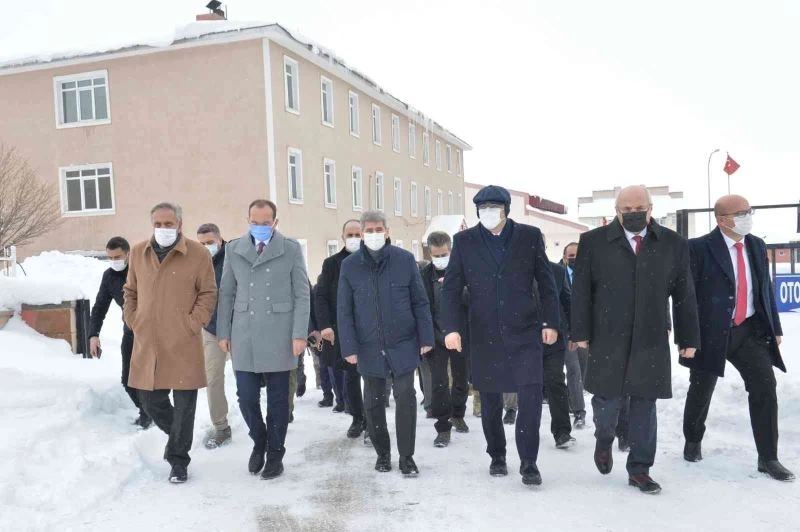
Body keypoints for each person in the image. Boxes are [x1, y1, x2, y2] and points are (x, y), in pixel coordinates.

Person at [570, 185, 700, 494]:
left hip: (651, 337)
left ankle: (640, 468)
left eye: (638, 208)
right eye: (626, 210)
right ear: (616, 212)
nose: (633, 214)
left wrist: (688, 337)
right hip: (606, 336)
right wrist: (581, 334)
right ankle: (604, 437)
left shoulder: (673, 244)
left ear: (651, 207)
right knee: (607, 402)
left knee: (645, 404)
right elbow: (581, 292)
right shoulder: (593, 242)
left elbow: (685, 294)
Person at [442, 185, 560, 486]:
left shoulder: (529, 237)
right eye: (482, 208)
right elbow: (451, 289)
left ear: (507, 210)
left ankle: (529, 461)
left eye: (494, 207)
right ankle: (497, 454)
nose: (488, 213)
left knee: (531, 396)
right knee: (490, 400)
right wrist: (452, 328)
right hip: (484, 333)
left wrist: (550, 322)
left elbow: (547, 283)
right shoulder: (464, 241)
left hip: (525, 331)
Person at [682, 195, 793, 481]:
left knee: (765, 386)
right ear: (722, 220)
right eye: (741, 213)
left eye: (749, 211)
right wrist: (688, 338)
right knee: (701, 389)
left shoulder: (756, 244)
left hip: (749, 331)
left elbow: (764, 289)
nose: (748, 216)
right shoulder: (698, 248)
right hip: (710, 334)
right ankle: (693, 439)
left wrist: (775, 328)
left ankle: (768, 457)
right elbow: (686, 296)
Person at [123, 202, 218, 484]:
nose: (163, 229)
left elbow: (208, 293)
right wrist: (133, 320)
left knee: (185, 404)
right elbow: (130, 291)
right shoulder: (139, 252)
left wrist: (193, 322)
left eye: (168, 224)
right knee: (150, 401)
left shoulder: (198, 253)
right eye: (158, 224)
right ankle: (178, 438)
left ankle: (178, 461)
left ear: (179, 224)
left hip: (183, 340)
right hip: (148, 340)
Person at [217, 199, 310, 480]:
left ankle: (275, 453)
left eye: (265, 223)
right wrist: (223, 332)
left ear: (275, 223)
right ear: (248, 220)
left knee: (279, 401)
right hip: (244, 332)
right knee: (246, 398)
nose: (259, 227)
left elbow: (302, 294)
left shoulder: (291, 249)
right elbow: (227, 293)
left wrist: (299, 334)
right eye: (254, 222)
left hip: (281, 333)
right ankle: (259, 441)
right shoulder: (234, 249)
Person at [337, 210, 434, 476]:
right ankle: (383, 453)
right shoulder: (350, 266)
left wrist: (426, 337)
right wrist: (349, 346)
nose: (373, 234)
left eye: (378, 229)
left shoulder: (404, 261)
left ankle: (406, 456)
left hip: (403, 342)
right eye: (368, 230)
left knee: (405, 397)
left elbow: (420, 302)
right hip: (368, 345)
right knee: (373, 402)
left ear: (387, 231)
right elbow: (344, 310)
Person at [89, 237, 151, 429]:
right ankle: (147, 412)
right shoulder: (109, 277)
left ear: (128, 254)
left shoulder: (143, 270)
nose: (114, 260)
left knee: (152, 378)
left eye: (117, 256)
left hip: (152, 332)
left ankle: (158, 413)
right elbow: (99, 307)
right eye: (110, 257)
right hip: (130, 332)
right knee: (128, 381)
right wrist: (93, 334)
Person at [315, 219, 367, 439]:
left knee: (374, 378)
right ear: (343, 236)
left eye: (358, 234)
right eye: (350, 234)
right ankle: (357, 418)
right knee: (351, 376)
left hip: (370, 328)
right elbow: (321, 296)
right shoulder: (332, 264)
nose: (354, 238)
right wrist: (325, 325)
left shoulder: (372, 259)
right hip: (343, 329)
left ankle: (373, 420)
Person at [420, 231, 470, 447]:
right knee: (439, 382)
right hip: (435, 337)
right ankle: (442, 426)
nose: (440, 258)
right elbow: (420, 308)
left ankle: (458, 413)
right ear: (430, 253)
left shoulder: (463, 272)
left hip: (460, 335)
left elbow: (473, 300)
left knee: (461, 378)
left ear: (451, 251)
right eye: (436, 254)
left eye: (444, 254)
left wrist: (456, 289)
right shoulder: (423, 276)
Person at [196, 223, 232, 449]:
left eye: (210, 242)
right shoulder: (196, 262)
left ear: (220, 239)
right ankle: (221, 427)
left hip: (239, 327)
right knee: (213, 378)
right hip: (211, 329)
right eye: (201, 244)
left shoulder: (235, 256)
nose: (206, 247)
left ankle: (265, 420)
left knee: (252, 379)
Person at [561, 242, 588, 429]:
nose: (574, 259)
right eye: (570, 255)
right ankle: (579, 411)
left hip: (585, 332)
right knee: (574, 370)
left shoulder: (590, 274)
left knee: (583, 371)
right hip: (567, 332)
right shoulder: (557, 273)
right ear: (564, 257)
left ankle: (573, 400)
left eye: (577, 255)